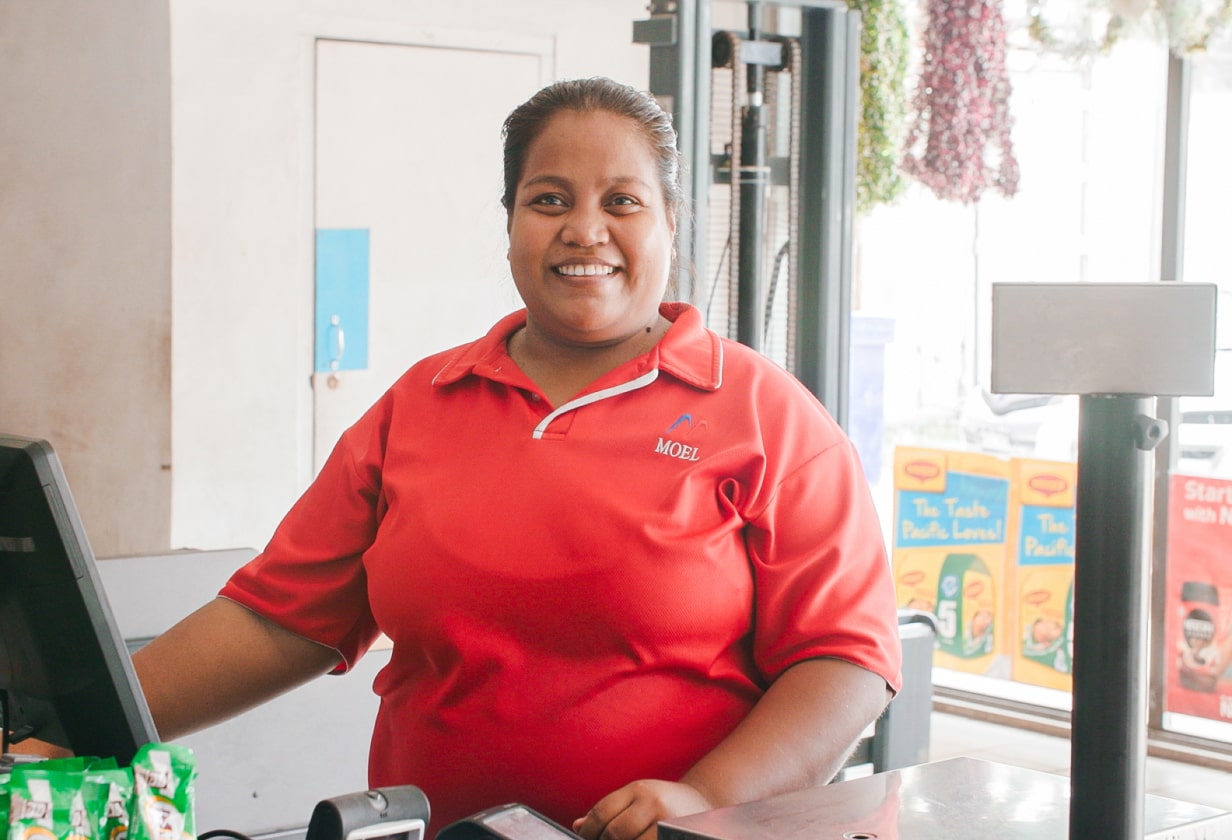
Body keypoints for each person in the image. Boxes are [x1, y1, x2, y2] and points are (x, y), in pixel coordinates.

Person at [132, 77, 903, 840]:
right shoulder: (422, 404)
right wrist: (79, 729)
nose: (584, 229)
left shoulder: (766, 415)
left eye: (622, 202)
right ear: (509, 225)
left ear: (672, 221)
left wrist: (708, 797)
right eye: (549, 200)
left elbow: (847, 659)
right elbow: (280, 620)